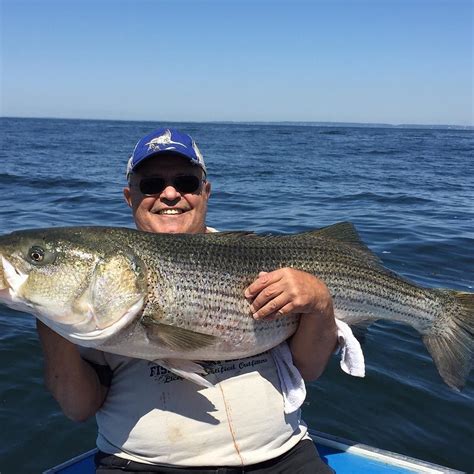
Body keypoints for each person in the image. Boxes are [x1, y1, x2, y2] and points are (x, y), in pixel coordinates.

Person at [37, 128, 360, 473]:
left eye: (186, 182)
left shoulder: (264, 260)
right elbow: (78, 408)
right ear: (129, 196)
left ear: (205, 192)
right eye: (152, 184)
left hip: (282, 457)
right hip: (142, 465)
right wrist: (50, 317)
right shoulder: (100, 273)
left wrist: (320, 301)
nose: (170, 194)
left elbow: (308, 369)